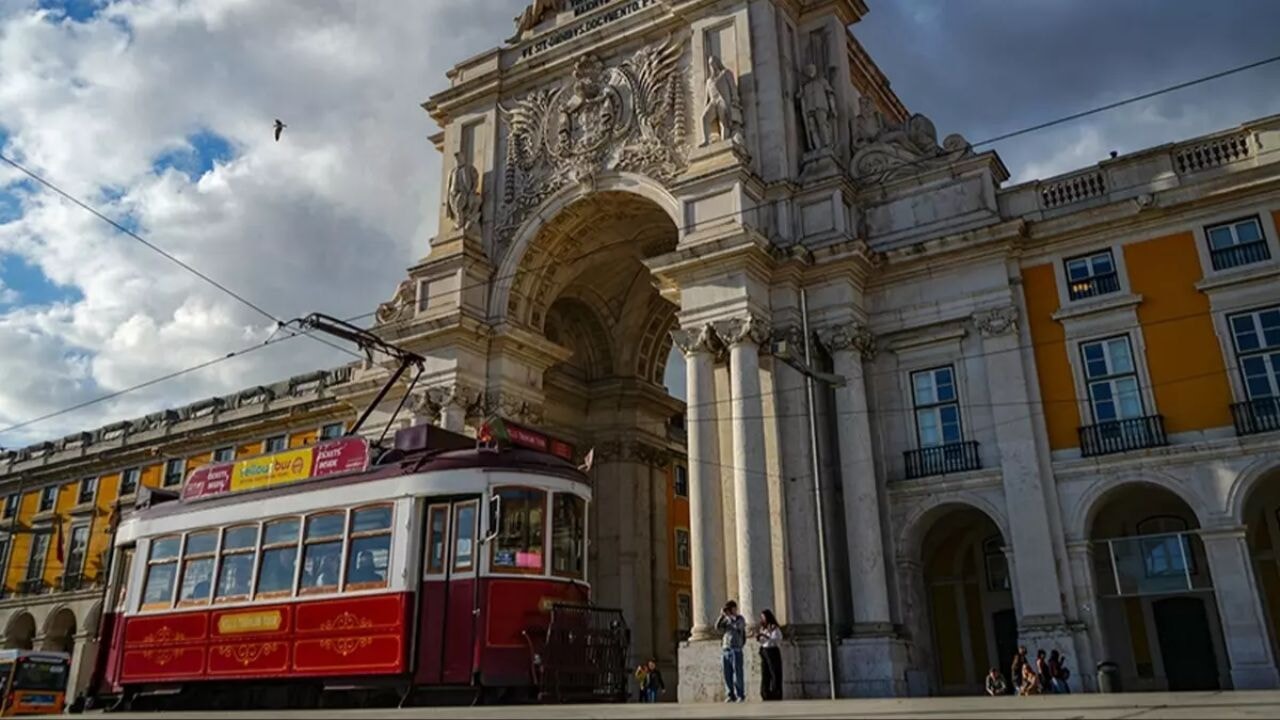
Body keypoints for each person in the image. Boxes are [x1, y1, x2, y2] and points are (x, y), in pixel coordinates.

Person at [716, 600, 747, 702]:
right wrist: (721, 616)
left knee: (737, 673)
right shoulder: (725, 620)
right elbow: (717, 628)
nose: (729, 611)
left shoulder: (740, 619)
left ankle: (740, 694)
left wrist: (729, 617)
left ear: (734, 608)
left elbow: (737, 627)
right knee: (727, 673)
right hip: (726, 648)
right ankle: (730, 694)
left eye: (730, 608)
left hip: (736, 648)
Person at [757, 609, 783, 701]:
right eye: (761, 617)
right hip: (764, 650)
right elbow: (761, 640)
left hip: (772, 650)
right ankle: (765, 693)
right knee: (765, 672)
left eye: (764, 617)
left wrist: (767, 637)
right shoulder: (762, 628)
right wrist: (760, 637)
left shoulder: (774, 627)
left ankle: (776, 693)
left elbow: (777, 638)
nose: (762, 619)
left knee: (775, 672)